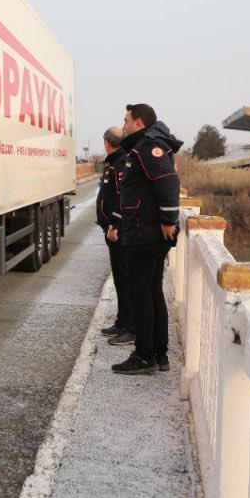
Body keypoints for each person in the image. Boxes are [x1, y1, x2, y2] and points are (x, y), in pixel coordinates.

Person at [111, 103, 183, 375]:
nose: (124, 125)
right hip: (145, 230)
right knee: (152, 291)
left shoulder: (147, 147)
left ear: (139, 122)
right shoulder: (142, 146)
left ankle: (144, 356)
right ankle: (159, 354)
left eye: (126, 120)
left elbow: (167, 182)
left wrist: (167, 221)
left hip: (145, 232)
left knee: (140, 293)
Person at [95, 126, 133, 344]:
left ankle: (129, 325)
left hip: (118, 231)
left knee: (125, 278)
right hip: (113, 229)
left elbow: (122, 198)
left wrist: (114, 225)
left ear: (107, 143)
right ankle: (122, 322)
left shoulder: (120, 163)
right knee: (120, 277)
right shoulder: (116, 161)